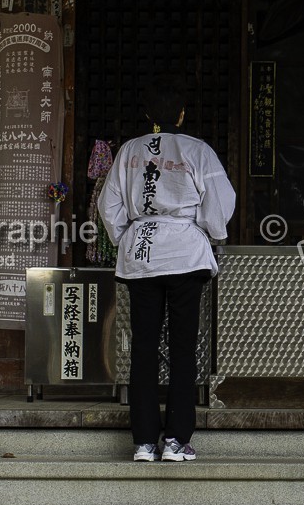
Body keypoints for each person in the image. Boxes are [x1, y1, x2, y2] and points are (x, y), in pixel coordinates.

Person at [98, 77, 236, 463]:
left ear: (146, 115)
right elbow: (219, 204)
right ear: (181, 113)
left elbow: (109, 208)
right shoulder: (198, 150)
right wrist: (211, 233)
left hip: (141, 255)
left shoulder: (128, 151)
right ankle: (176, 440)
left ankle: (143, 442)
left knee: (143, 347)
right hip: (184, 254)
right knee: (182, 347)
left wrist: (128, 235)